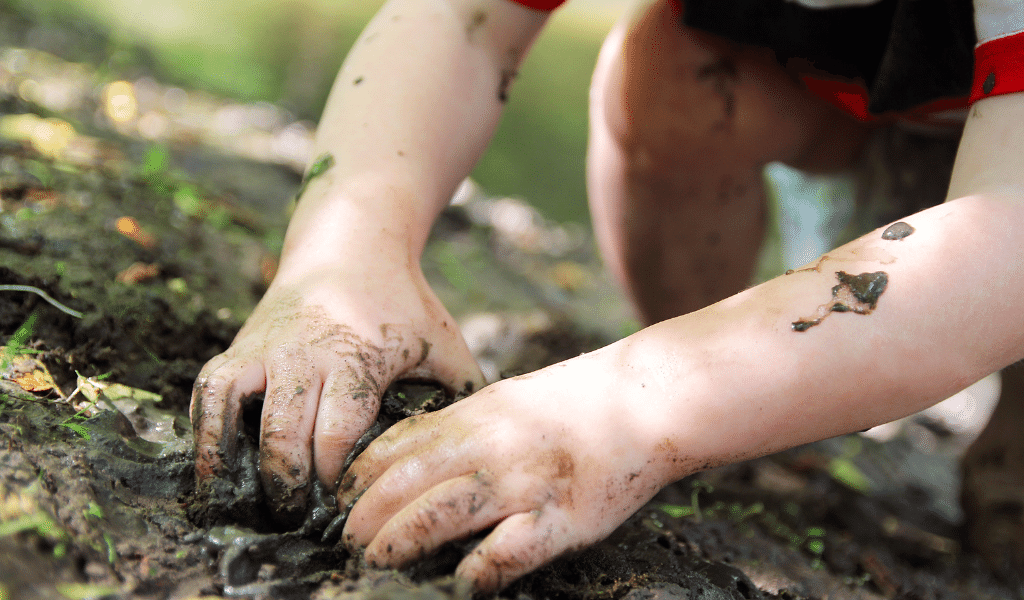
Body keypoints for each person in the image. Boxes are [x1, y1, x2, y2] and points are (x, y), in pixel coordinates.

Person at [191, 0, 1024, 591]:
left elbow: (1006, 234)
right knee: (678, 66)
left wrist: (623, 403)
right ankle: (762, 436)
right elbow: (461, 21)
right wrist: (343, 257)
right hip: (878, 101)